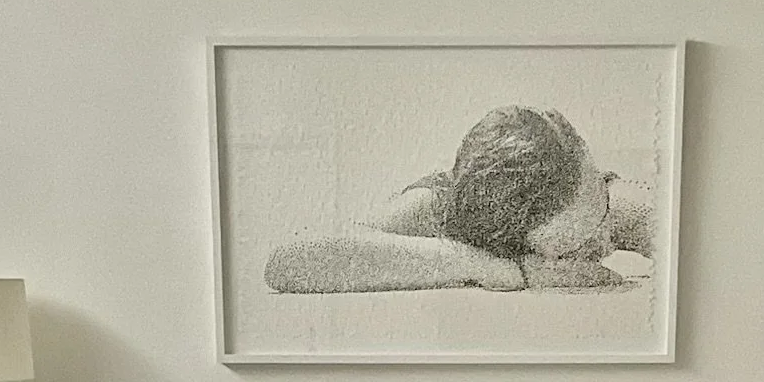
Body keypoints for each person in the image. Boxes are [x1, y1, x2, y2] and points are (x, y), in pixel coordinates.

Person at [264, 106, 653, 294]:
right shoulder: (440, 207)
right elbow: (287, 260)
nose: (604, 236)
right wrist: (494, 268)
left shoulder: (608, 204)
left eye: (600, 199)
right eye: (577, 245)